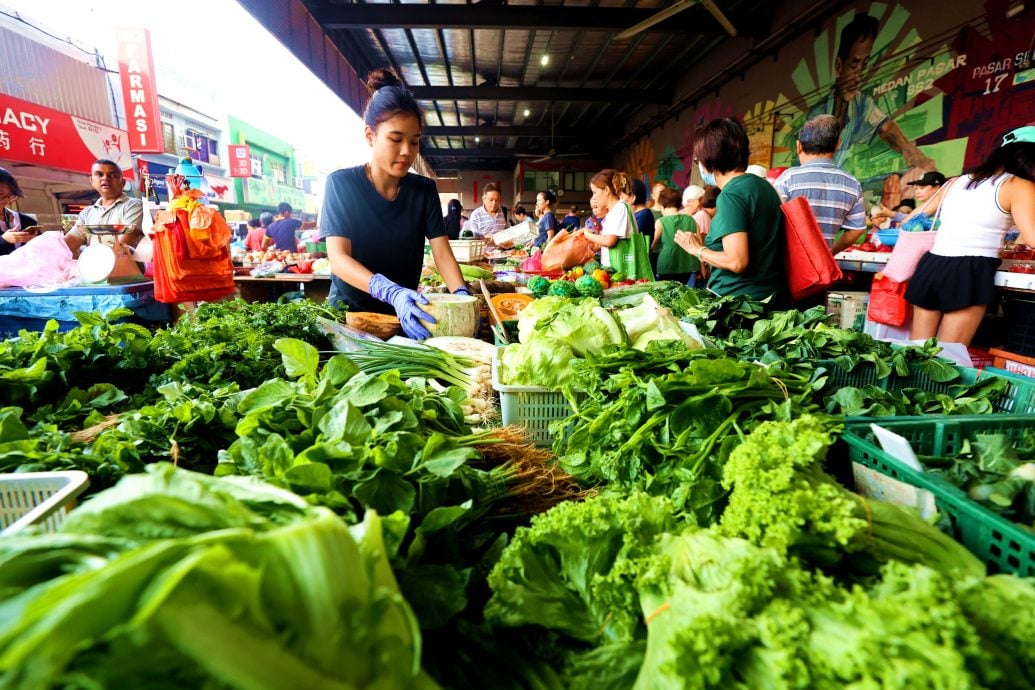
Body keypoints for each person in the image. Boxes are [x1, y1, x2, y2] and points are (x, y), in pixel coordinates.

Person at [319, 67, 467, 339]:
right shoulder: (342, 185)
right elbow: (338, 259)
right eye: (395, 139)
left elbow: (442, 254)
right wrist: (389, 290)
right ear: (370, 136)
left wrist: (462, 296)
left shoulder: (423, 191)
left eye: (414, 141)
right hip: (348, 318)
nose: (406, 152)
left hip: (401, 318)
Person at [906, 126, 1035, 346]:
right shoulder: (1019, 185)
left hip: (932, 264)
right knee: (948, 358)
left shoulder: (958, 181)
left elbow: (911, 219)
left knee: (917, 351)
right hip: (968, 269)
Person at [675, 117, 787, 306]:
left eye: (697, 160)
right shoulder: (764, 187)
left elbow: (737, 261)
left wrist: (697, 250)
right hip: (773, 297)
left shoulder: (730, 196)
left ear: (710, 159)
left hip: (741, 306)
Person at [807, 12, 935, 174]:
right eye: (854, 65)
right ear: (839, 66)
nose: (858, 77)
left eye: (864, 65)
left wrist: (910, 151)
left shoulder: (862, 104)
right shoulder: (817, 115)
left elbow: (887, 128)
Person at [773, 114, 867, 254]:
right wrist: (830, 252)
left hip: (790, 270)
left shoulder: (787, 178)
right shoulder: (852, 184)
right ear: (838, 144)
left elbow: (771, 223)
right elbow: (858, 229)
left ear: (798, 146)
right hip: (824, 270)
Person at [65, 159, 143, 257]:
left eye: (113, 175)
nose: (105, 178)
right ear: (92, 181)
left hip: (124, 269)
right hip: (94, 269)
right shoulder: (87, 213)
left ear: (122, 182)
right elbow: (70, 243)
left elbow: (123, 247)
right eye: (99, 174)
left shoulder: (134, 206)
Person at [583, 169, 651, 279]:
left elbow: (609, 241)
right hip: (615, 271)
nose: (594, 197)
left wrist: (587, 234)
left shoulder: (620, 208)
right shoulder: (613, 211)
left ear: (606, 190)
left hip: (622, 271)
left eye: (595, 192)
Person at [651, 186, 699, 285]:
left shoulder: (661, 222)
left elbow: (651, 246)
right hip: (690, 266)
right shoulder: (692, 220)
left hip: (667, 267)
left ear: (662, 205)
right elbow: (699, 244)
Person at [873, 171, 946, 231]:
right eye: (916, 189)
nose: (917, 192)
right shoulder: (926, 207)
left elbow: (916, 218)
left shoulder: (942, 207)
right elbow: (915, 217)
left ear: (936, 187)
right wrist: (892, 214)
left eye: (922, 188)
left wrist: (897, 217)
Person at [0, 168, 39, 256]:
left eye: (10, 195)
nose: (6, 200)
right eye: (0, 195)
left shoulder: (27, 221)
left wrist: (35, 241)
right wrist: (3, 240)